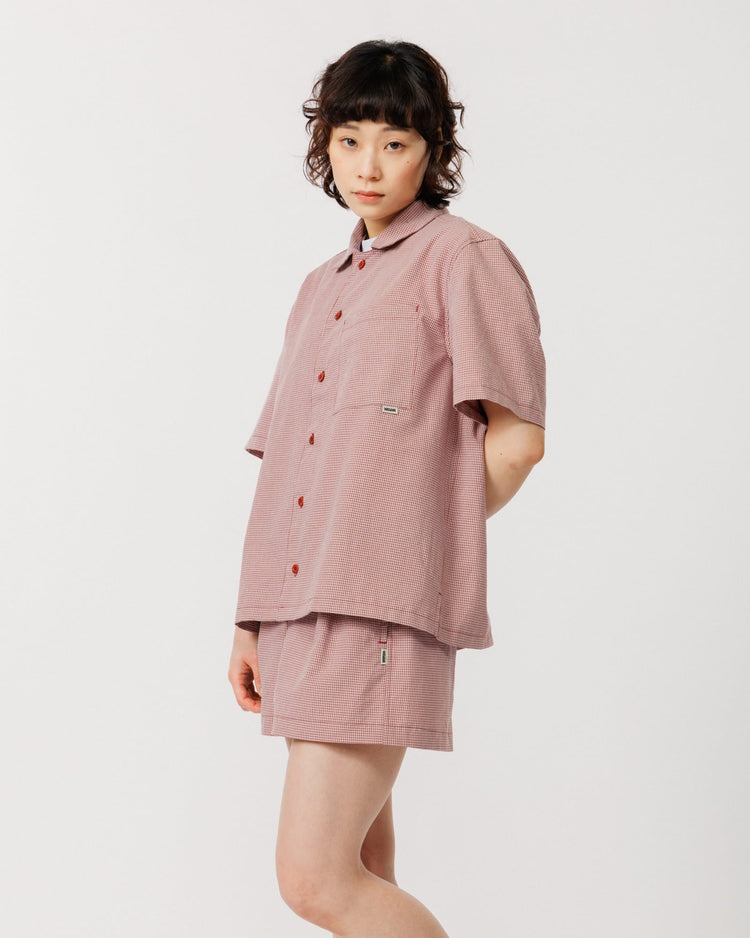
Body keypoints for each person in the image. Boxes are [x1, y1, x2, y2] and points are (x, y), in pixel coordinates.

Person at [227, 38, 546, 937]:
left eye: (395, 143)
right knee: (364, 873)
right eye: (349, 140)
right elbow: (289, 464)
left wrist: (419, 540)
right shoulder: (319, 287)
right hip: (299, 610)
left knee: (315, 880)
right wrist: (253, 618)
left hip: (375, 609)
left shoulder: (464, 258)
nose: (368, 165)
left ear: (432, 150)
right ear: (324, 147)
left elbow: (518, 439)